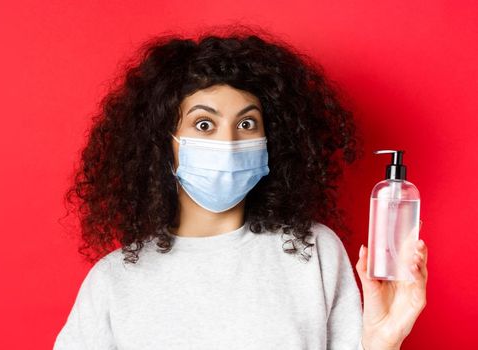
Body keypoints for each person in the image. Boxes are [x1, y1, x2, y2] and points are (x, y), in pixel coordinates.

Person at [55, 28, 428, 350]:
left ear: (272, 139)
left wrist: (383, 340)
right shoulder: (114, 280)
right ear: (162, 142)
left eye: (247, 124)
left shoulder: (312, 251)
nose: (230, 142)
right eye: (204, 125)